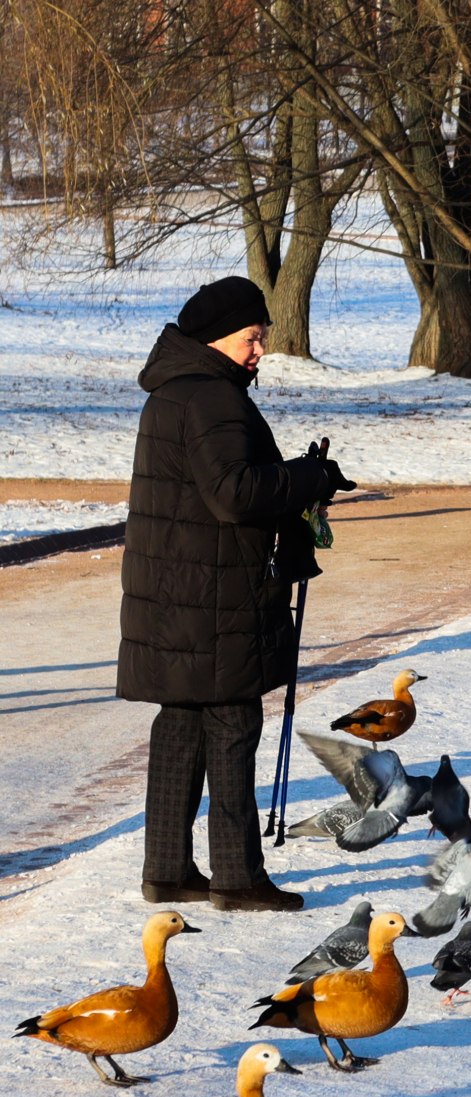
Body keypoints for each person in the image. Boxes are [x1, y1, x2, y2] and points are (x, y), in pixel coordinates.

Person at [120, 275, 352, 913]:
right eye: (252, 339)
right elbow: (235, 494)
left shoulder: (172, 393)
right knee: (230, 722)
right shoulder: (213, 399)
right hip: (215, 598)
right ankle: (237, 878)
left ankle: (166, 871)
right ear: (217, 338)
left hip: (174, 597)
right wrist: (310, 476)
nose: (258, 352)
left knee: (181, 722)